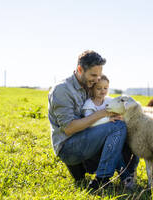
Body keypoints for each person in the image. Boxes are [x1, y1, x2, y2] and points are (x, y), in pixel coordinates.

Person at [48, 50, 138, 190]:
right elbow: (69, 128)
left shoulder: (89, 86)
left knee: (129, 132)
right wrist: (104, 114)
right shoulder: (62, 90)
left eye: (99, 75)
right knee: (117, 127)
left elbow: (103, 102)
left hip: (86, 140)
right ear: (79, 69)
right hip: (68, 147)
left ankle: (127, 174)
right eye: (93, 75)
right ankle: (102, 179)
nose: (97, 79)